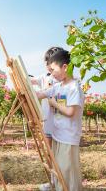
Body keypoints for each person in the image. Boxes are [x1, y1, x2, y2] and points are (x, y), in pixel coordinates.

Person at [37, 49, 84, 191]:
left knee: (66, 169)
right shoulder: (57, 87)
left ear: (65, 67)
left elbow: (70, 112)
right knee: (59, 167)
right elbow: (40, 94)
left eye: (53, 69)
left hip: (69, 137)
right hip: (58, 135)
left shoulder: (73, 87)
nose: (51, 73)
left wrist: (54, 103)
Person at [31, 47, 62, 191]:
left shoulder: (62, 79)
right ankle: (53, 182)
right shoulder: (44, 77)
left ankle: (61, 182)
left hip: (60, 124)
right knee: (49, 154)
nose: (47, 65)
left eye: (49, 62)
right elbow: (29, 80)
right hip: (47, 122)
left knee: (59, 155)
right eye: (46, 62)